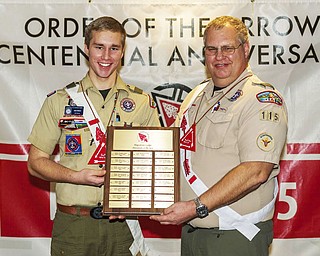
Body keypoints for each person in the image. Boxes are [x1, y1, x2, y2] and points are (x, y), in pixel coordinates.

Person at [150, 15, 288, 256]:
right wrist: (133, 201)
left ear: (245, 49)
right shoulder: (196, 95)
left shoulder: (260, 100)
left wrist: (196, 207)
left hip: (234, 237)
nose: (219, 56)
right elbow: (175, 153)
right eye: (212, 49)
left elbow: (256, 171)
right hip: (193, 232)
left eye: (228, 48)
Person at [27, 16, 160, 256]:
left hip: (122, 225)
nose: (106, 56)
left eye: (114, 48)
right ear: (87, 48)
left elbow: (157, 164)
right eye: (99, 47)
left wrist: (134, 204)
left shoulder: (142, 102)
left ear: (122, 52)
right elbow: (35, 163)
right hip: (75, 225)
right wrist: (76, 177)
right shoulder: (60, 101)